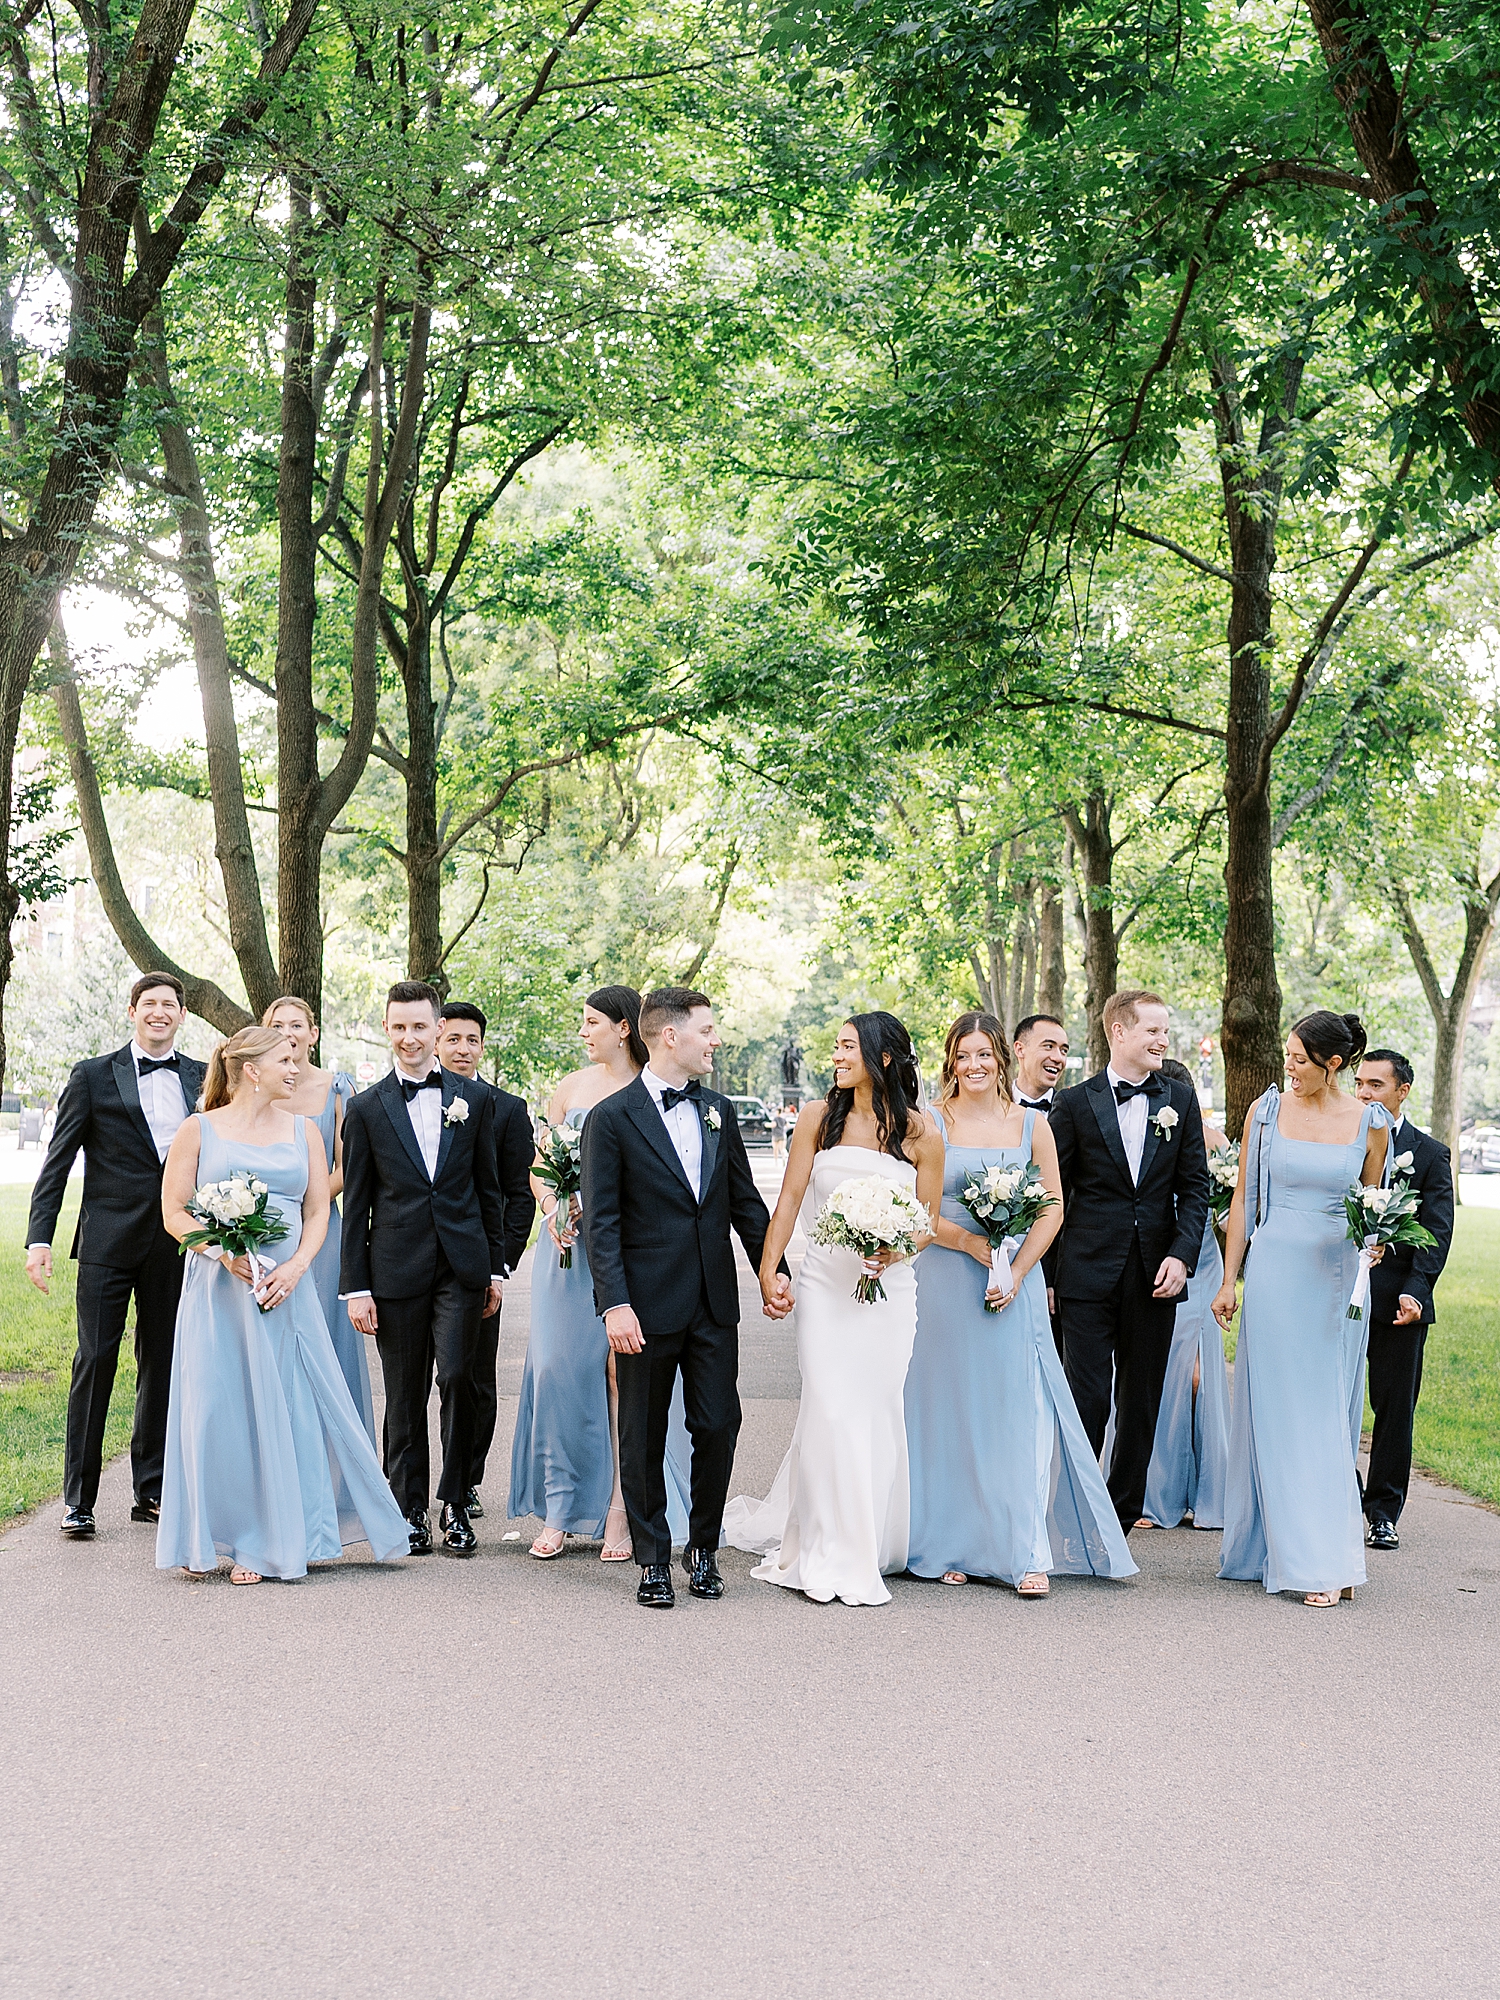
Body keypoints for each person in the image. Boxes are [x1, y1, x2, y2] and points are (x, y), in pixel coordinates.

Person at [156, 1026, 410, 1583]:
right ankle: (222, 1534)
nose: (296, 1068)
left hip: (286, 1289)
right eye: (285, 1060)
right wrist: (223, 1252)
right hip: (220, 1292)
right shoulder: (198, 1130)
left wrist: (296, 1268)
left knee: (293, 1405)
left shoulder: (304, 1133)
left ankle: (274, 1538)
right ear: (252, 1070)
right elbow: (174, 1212)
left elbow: (318, 1213)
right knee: (219, 1410)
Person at [904, 1012, 1136, 1596]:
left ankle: (1023, 1548)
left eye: (984, 1055)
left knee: (1017, 1413)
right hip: (947, 1278)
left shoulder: (1032, 1125)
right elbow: (921, 1216)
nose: (973, 1066)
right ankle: (947, 1543)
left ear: (1002, 1059)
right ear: (949, 1061)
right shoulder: (930, 1122)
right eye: (962, 1056)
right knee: (947, 1409)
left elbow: (1054, 1205)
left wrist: (1018, 1269)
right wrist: (976, 1245)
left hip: (1015, 1285)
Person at [722, 1012, 944, 1607]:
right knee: (829, 1406)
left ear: (884, 1057)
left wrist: (894, 1249)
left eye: (847, 1046)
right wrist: (769, 1268)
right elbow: (792, 1194)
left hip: (887, 1294)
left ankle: (866, 1543)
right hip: (823, 1287)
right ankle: (823, 1546)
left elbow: (925, 1222)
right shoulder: (820, 1119)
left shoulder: (921, 1132)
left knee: (872, 1409)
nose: (836, 1056)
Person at [581, 986, 785, 1609]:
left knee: (719, 1423)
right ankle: (651, 1558)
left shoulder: (719, 1109)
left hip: (713, 1303)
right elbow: (602, 1223)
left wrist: (769, 1270)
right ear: (669, 1035)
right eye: (707, 1029)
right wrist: (614, 1304)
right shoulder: (610, 1120)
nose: (715, 1040)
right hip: (642, 1306)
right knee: (641, 1433)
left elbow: (745, 1205)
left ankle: (703, 1548)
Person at [508, 988, 692, 1563]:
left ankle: (622, 1506)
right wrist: (551, 1207)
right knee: (559, 1372)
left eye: (591, 1023)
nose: (583, 1032)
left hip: (628, 1251)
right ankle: (561, 1507)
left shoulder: (650, 1091)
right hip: (565, 1255)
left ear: (623, 1027)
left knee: (624, 1377)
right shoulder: (569, 1088)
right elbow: (540, 1165)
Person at [1215, 1011, 1390, 1607]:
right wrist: (1228, 1279)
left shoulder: (1371, 1124)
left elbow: (1374, 1207)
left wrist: (1378, 1239)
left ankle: (1326, 1555)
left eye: (1300, 1060)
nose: (1288, 1068)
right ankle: (1289, 1553)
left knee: (1321, 1420)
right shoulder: (1265, 1113)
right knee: (1278, 1413)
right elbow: (1244, 1200)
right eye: (1287, 1055)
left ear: (1333, 1065)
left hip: (1335, 1281)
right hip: (1274, 1274)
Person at [25, 973, 207, 1540]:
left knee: (161, 1365)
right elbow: (56, 1165)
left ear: (182, 1016)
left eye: (169, 1006)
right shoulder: (92, 1076)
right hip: (105, 1244)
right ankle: (78, 1499)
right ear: (132, 1011)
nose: (159, 1013)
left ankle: (149, 1490)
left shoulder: (203, 1078)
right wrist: (39, 1239)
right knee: (95, 1361)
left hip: (175, 1245)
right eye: (148, 1004)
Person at [339, 981, 506, 1559]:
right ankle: (407, 1507)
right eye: (399, 1027)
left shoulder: (475, 1101)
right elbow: (354, 1204)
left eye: (420, 1027)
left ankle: (456, 1502)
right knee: (404, 1393)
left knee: (459, 1377)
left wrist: (496, 1270)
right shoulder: (364, 1109)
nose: (410, 1038)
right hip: (394, 1270)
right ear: (387, 1029)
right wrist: (356, 1287)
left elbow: (489, 1190)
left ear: (438, 1029)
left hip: (462, 1269)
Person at [1048, 989, 1211, 1534]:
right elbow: (1053, 1194)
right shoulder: (1074, 1103)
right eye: (1153, 1030)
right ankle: (1074, 1507)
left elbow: (1194, 1190)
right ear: (1119, 1032)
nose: (1163, 1039)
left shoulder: (1181, 1102)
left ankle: (1120, 1515)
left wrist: (1183, 1256)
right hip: (1087, 1274)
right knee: (1087, 1397)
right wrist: (1049, 1276)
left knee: (1141, 1399)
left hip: (1155, 1275)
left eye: (1166, 1031)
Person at [436, 1001, 537, 1519]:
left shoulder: (506, 1108)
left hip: (478, 1269)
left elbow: (519, 1197)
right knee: (417, 1383)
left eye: (472, 1039)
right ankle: (407, 1489)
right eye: (453, 1038)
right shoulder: (407, 1102)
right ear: (435, 1040)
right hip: (416, 1264)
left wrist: (502, 1265)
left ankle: (466, 1480)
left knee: (474, 1380)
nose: (462, 1048)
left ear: (482, 1046)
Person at [261, 995, 373, 1443]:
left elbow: (347, 1167)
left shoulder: (338, 1089)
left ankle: (334, 1461)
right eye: (277, 1025)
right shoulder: (255, 1087)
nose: (288, 1033)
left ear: (314, 1033)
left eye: (296, 1025)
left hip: (322, 1232)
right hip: (263, 1233)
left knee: (323, 1337)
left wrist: (301, 1204)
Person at [1354, 1048, 1454, 1551]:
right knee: (1329, 1400)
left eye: (1376, 1085)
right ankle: (1342, 1493)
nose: (1365, 1093)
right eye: (1360, 1084)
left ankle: (1383, 1512)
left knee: (1394, 1410)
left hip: (1399, 1301)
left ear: (1402, 1090)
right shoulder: (1342, 1138)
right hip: (1340, 1295)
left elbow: (1436, 1231)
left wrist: (1416, 1290)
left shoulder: (1430, 1153)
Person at [1137, 1060, 1231, 1532]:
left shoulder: (1215, 1142)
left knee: (1197, 1374)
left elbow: (1230, 1206)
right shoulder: (1139, 1131)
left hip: (1202, 1260)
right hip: (1154, 1255)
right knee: (1161, 1369)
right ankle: (1159, 1493)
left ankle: (1209, 1490)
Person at [1011, 1014, 1070, 1111]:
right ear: (1020, 1050)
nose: (1058, 1058)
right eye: (1049, 1046)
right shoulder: (992, 1104)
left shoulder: (1073, 1111)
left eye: (1063, 1050)